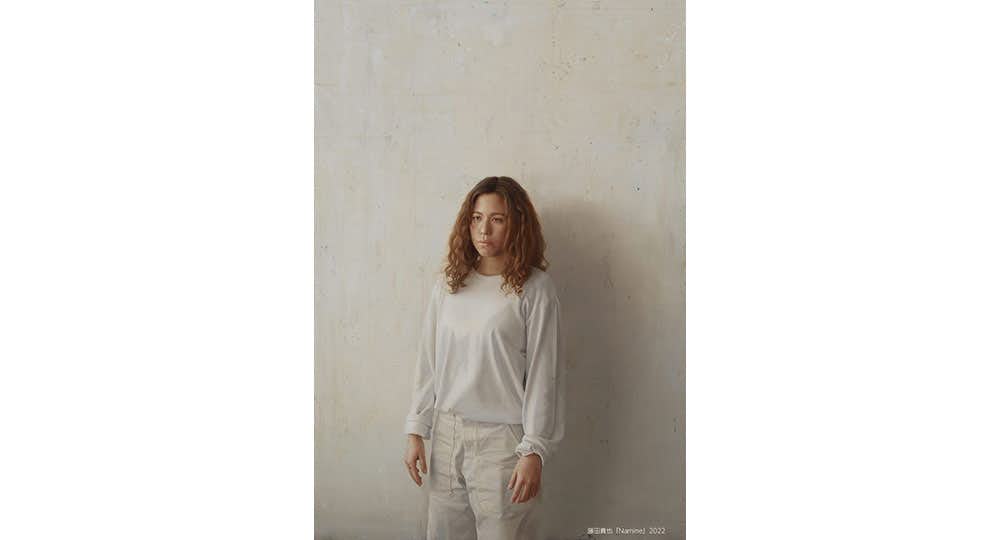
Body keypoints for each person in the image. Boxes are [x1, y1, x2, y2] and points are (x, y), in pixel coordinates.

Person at [402, 176, 566, 539]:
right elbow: (429, 361)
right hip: (447, 436)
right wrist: (416, 429)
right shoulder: (449, 285)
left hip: (503, 445)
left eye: (497, 219)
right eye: (476, 218)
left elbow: (545, 375)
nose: (484, 230)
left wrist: (534, 450)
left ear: (517, 224)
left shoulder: (534, 289)